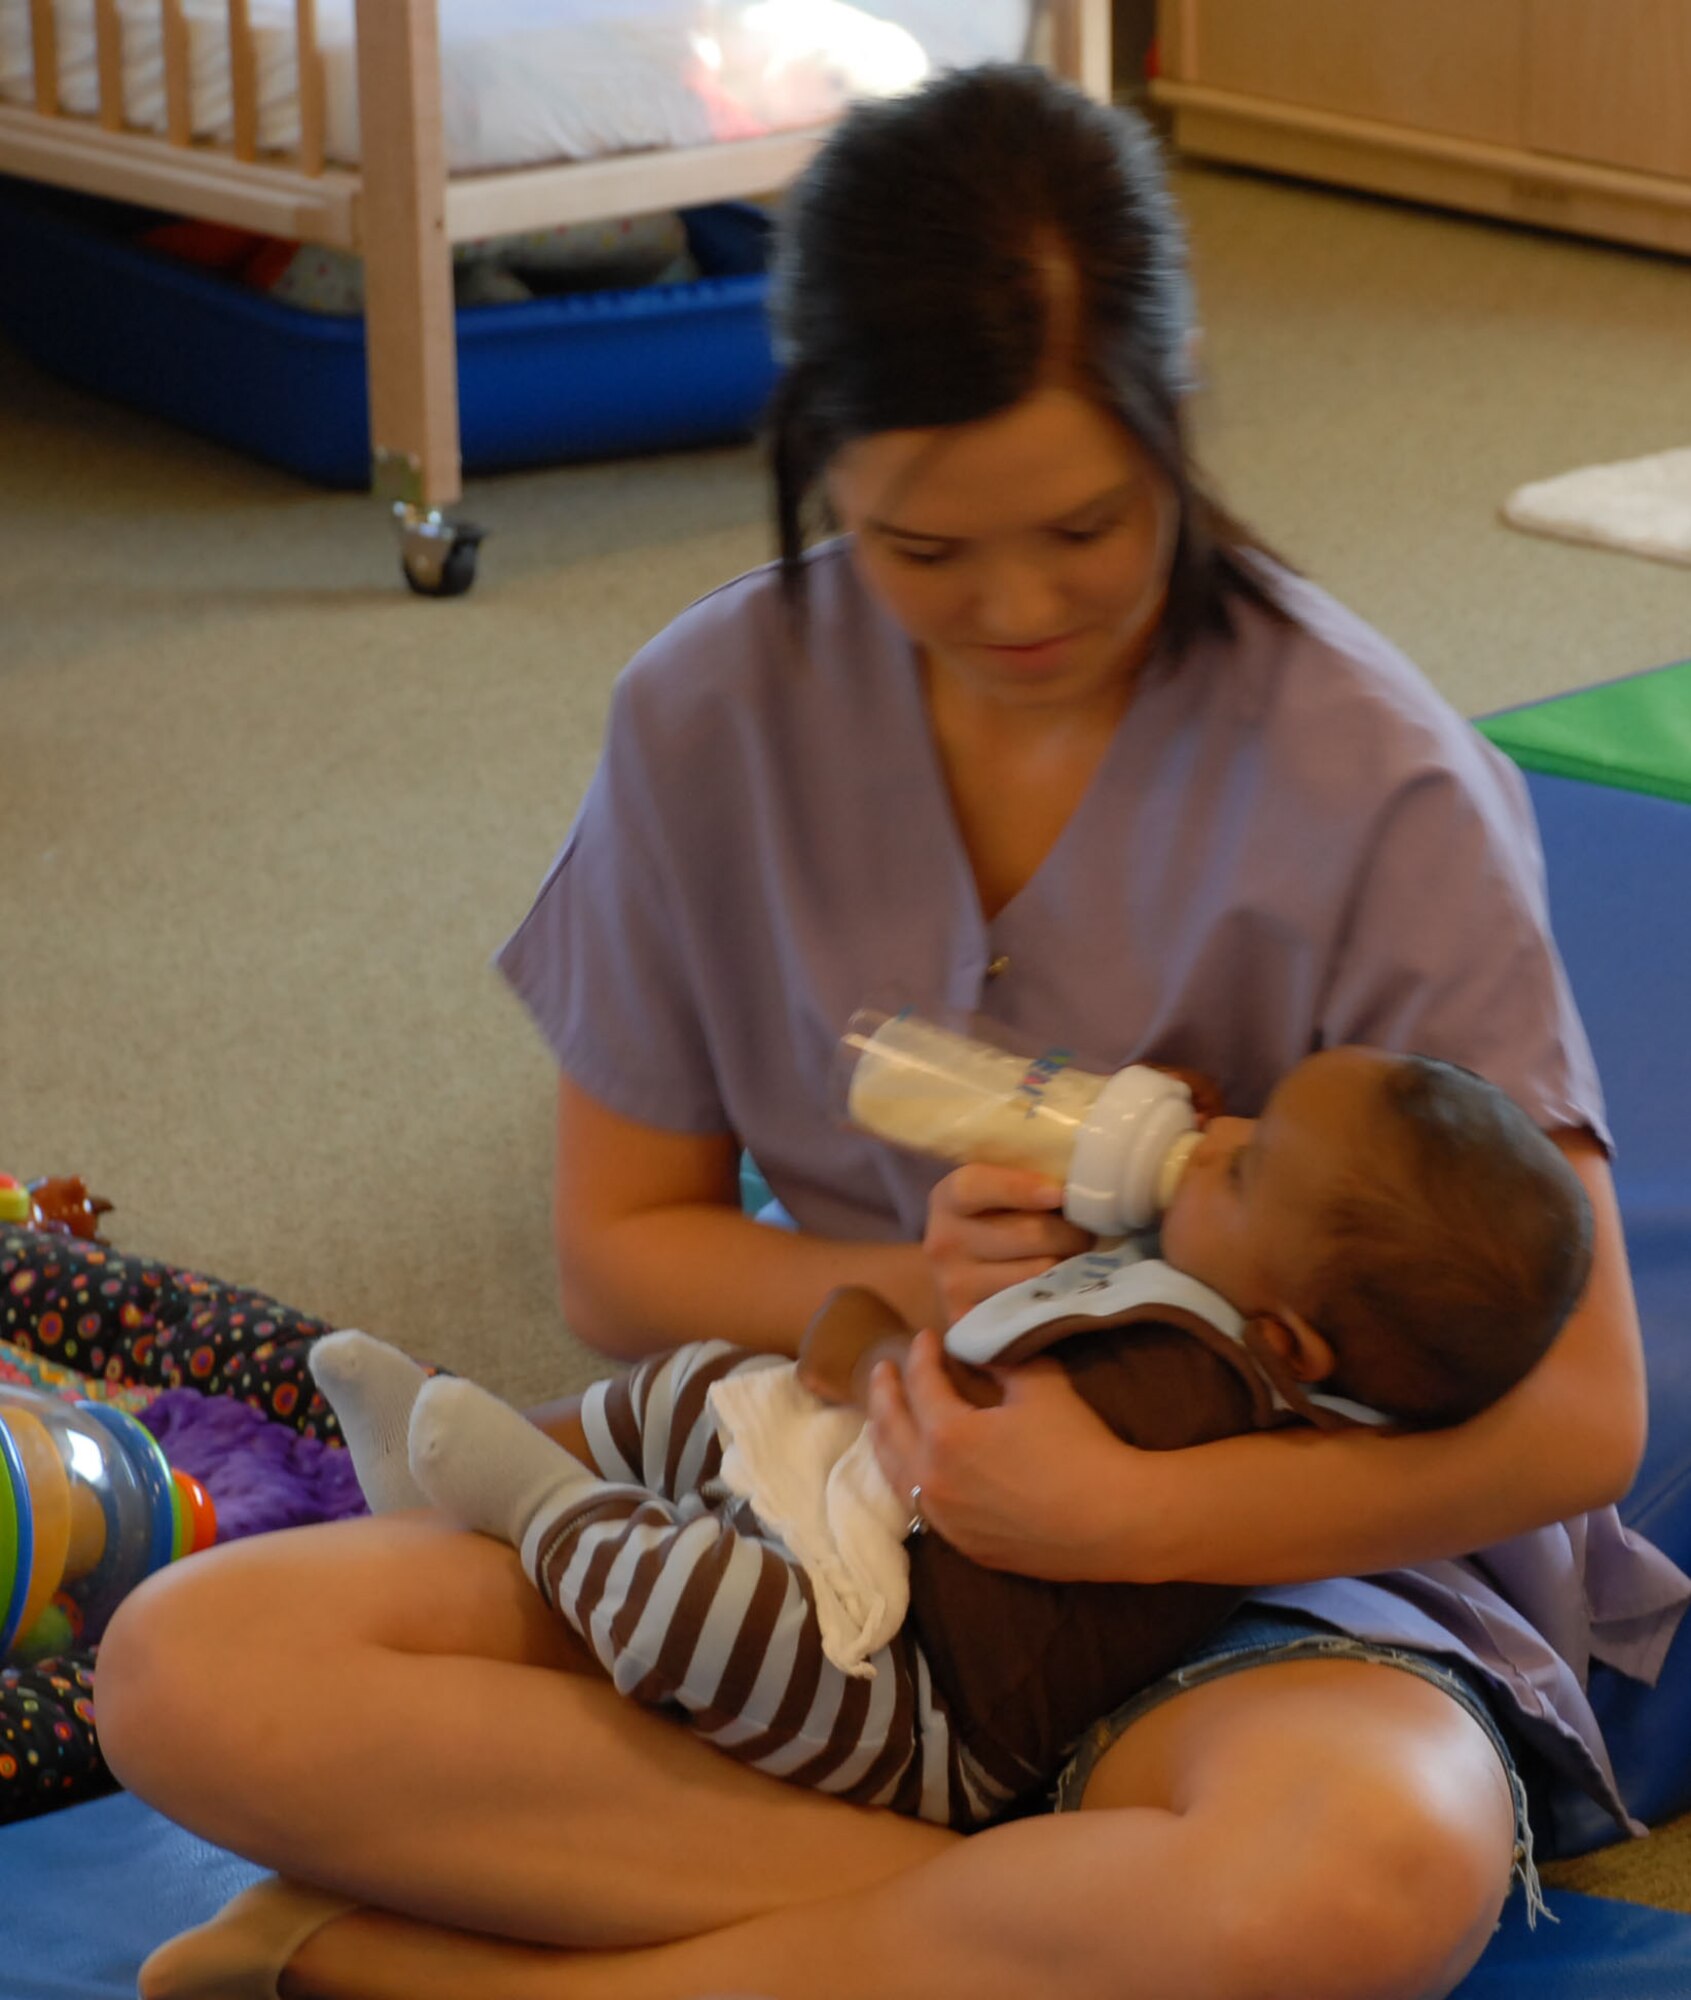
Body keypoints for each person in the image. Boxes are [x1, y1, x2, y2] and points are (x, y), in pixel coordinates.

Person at [96, 64, 1687, 2000]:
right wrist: (898, 1286)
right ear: (821, 460)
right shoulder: (711, 712)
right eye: (926, 552)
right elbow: (624, 1252)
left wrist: (1145, 1508)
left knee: (1363, 1871)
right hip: (818, 1527)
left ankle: (494, 1974)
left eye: (1091, 527)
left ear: (1178, 435)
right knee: (197, 1668)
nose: (1020, 606)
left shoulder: (1375, 776)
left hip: (1256, 1587)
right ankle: (1016, 1924)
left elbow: (1581, 1409)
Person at [300, 1048, 1594, 1838]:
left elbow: (978, 1453)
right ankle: (440, 1482)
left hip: (921, 1701)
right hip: (884, 1516)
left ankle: (530, 1508)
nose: (1224, 1138)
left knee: (710, 1614)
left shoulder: (1197, 1385)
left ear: (1293, 1344)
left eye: (1248, 1171)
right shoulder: (1209, 1296)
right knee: (702, 1385)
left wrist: (871, 1358)